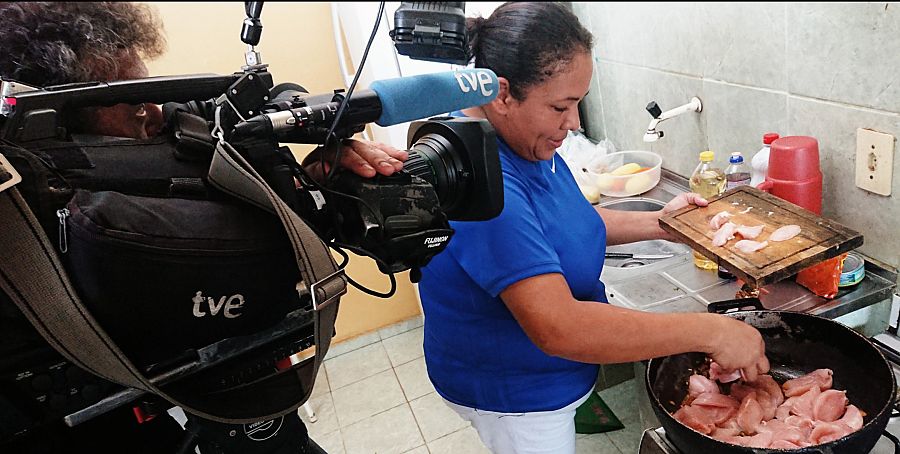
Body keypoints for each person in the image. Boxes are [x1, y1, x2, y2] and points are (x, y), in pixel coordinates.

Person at [0, 2, 406, 453]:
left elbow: (232, 115)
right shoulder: (36, 222)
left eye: (147, 86)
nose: (154, 112)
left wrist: (308, 170)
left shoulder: (157, 134)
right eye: (133, 105)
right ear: (54, 134)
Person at [417, 3, 770, 453]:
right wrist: (714, 331)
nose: (574, 123)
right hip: (516, 395)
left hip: (541, 376)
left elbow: (566, 223)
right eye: (561, 106)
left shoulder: (521, 143)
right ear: (502, 95)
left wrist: (663, 224)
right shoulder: (486, 183)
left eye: (578, 103)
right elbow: (560, 327)